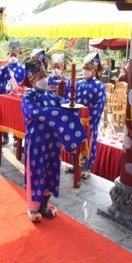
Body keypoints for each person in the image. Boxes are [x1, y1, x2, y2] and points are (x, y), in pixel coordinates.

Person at [22, 61, 87, 222]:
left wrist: (72, 104)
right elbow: (35, 112)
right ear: (32, 80)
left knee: (51, 171)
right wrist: (59, 113)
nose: (45, 79)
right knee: (36, 172)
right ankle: (33, 208)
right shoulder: (28, 97)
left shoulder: (52, 96)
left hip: (53, 142)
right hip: (36, 143)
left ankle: (44, 205)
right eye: (41, 77)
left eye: (45, 75)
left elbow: (66, 107)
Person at [75, 52, 107, 179]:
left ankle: (87, 168)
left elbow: (99, 106)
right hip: (77, 121)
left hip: (90, 122)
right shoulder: (79, 84)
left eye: (87, 69)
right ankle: (76, 165)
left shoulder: (99, 86)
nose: (84, 71)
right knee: (77, 143)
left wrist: (89, 119)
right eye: (84, 68)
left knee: (89, 143)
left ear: (94, 70)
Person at [0, 41, 26, 143]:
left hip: (17, 98)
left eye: (15, 54)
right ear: (9, 54)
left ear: (19, 54)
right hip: (5, 97)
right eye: (11, 54)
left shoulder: (23, 69)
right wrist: (6, 87)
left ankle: (17, 138)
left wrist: (19, 88)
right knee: (4, 116)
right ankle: (5, 135)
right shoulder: (3, 68)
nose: (13, 56)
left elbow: (25, 84)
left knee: (17, 117)